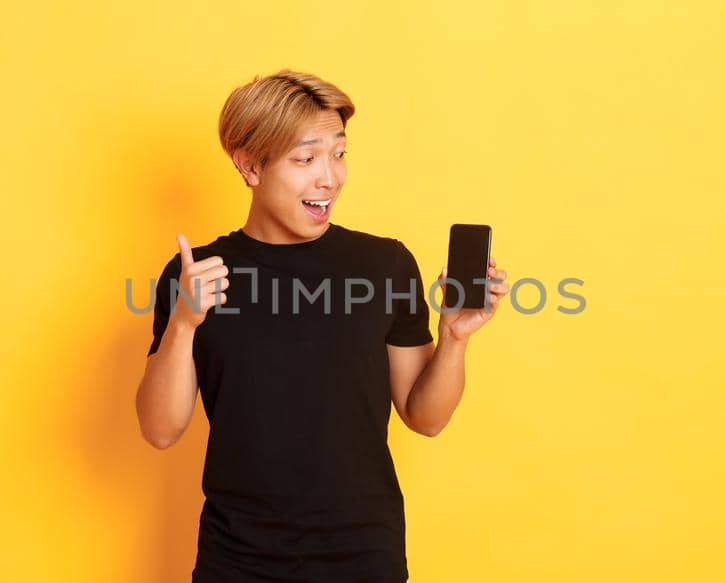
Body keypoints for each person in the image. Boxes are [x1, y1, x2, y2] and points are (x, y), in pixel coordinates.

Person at [134, 69, 508, 582]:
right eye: (305, 159)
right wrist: (183, 323)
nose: (329, 177)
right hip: (238, 560)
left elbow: (425, 417)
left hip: (363, 556)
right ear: (249, 166)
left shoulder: (384, 265)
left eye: (339, 153)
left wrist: (454, 340)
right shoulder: (196, 274)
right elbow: (159, 430)